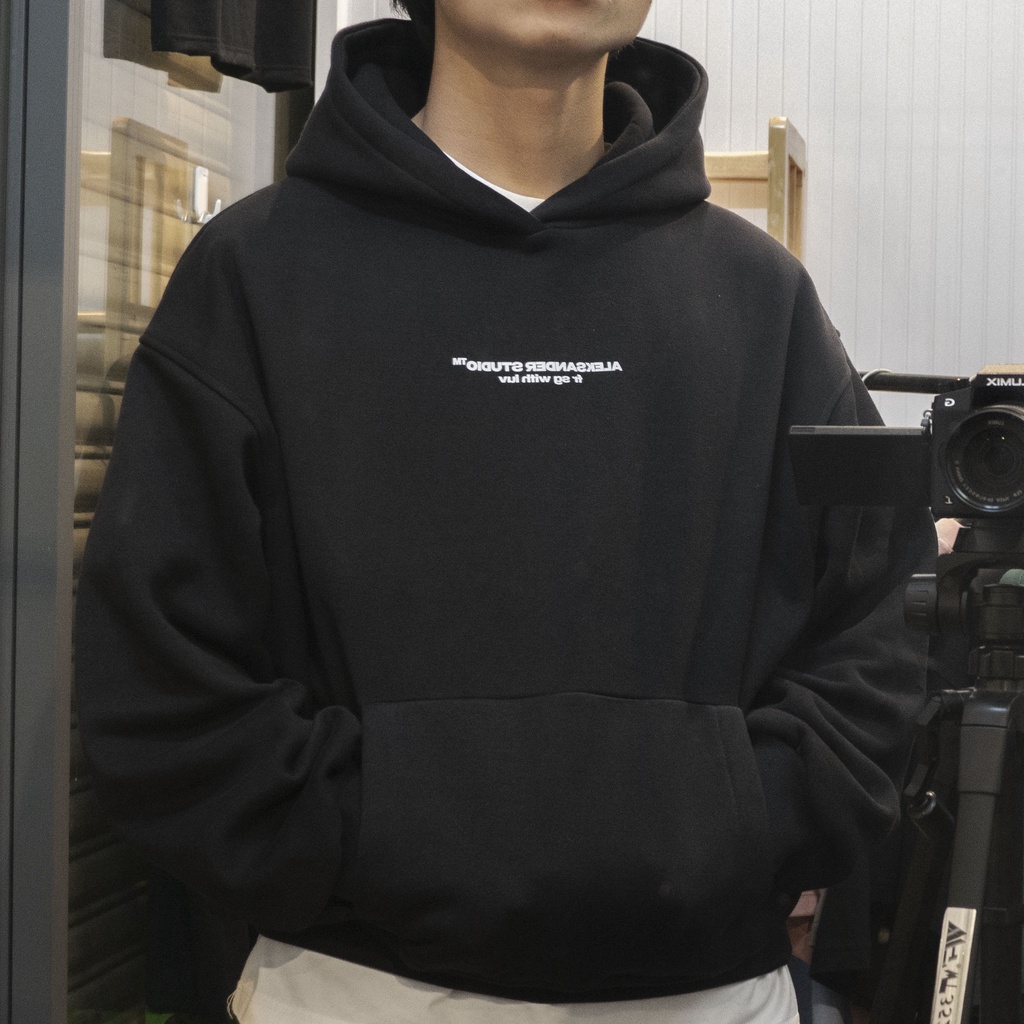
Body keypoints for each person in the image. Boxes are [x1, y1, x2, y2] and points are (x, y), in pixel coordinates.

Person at [73, 2, 935, 1022]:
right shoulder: (252, 274)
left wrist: (745, 819)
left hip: (709, 995)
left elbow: (880, 636)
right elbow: (162, 689)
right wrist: (365, 834)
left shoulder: (765, 300)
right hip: (353, 990)